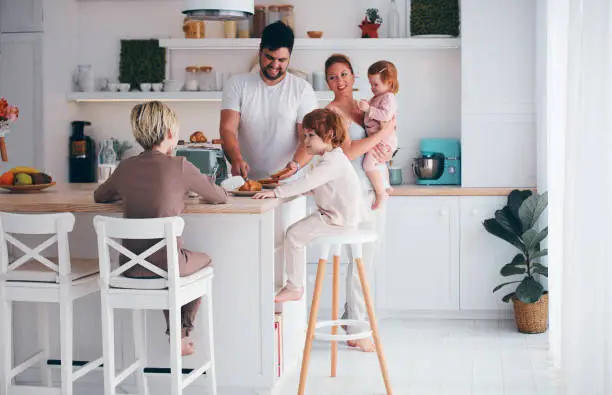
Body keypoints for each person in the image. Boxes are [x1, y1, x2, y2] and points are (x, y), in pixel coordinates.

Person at [94, 101, 228, 356]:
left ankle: (177, 334)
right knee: (202, 261)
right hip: (167, 267)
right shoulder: (180, 166)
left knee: (172, 265)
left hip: (129, 267)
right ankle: (181, 333)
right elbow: (219, 196)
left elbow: (100, 196)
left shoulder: (125, 167)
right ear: (169, 133)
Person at [252, 108, 368, 303]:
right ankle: (284, 281)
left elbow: (307, 182)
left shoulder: (333, 162)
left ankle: (295, 287)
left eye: (311, 135)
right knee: (290, 235)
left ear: (330, 134)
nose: (305, 140)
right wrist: (282, 192)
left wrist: (276, 192)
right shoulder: (330, 160)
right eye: (305, 135)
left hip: (338, 220)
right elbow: (313, 187)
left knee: (294, 235)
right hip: (334, 216)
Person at [324, 54, 396, 352]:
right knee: (361, 261)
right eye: (332, 77)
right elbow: (351, 151)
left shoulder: (368, 104)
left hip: (374, 188)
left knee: (370, 257)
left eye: (343, 74)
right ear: (327, 82)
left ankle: (351, 317)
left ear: (354, 76)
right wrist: (385, 132)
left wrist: (388, 145)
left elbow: (385, 140)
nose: (339, 81)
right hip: (354, 195)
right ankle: (358, 329)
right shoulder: (330, 113)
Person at [220, 21, 318, 181]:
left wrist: (295, 165)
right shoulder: (237, 84)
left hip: (290, 183)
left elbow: (308, 138)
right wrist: (236, 159)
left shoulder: (302, 89)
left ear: (289, 57)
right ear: (259, 51)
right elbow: (227, 129)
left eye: (282, 60)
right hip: (247, 181)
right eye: (269, 57)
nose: (275, 65)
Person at [358, 60, 399, 210]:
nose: (372, 88)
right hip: (379, 138)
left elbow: (386, 116)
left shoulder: (388, 97)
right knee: (379, 162)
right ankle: (386, 186)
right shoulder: (377, 97)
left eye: (375, 84)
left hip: (385, 139)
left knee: (368, 164)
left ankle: (381, 194)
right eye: (371, 84)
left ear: (389, 82)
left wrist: (369, 109)